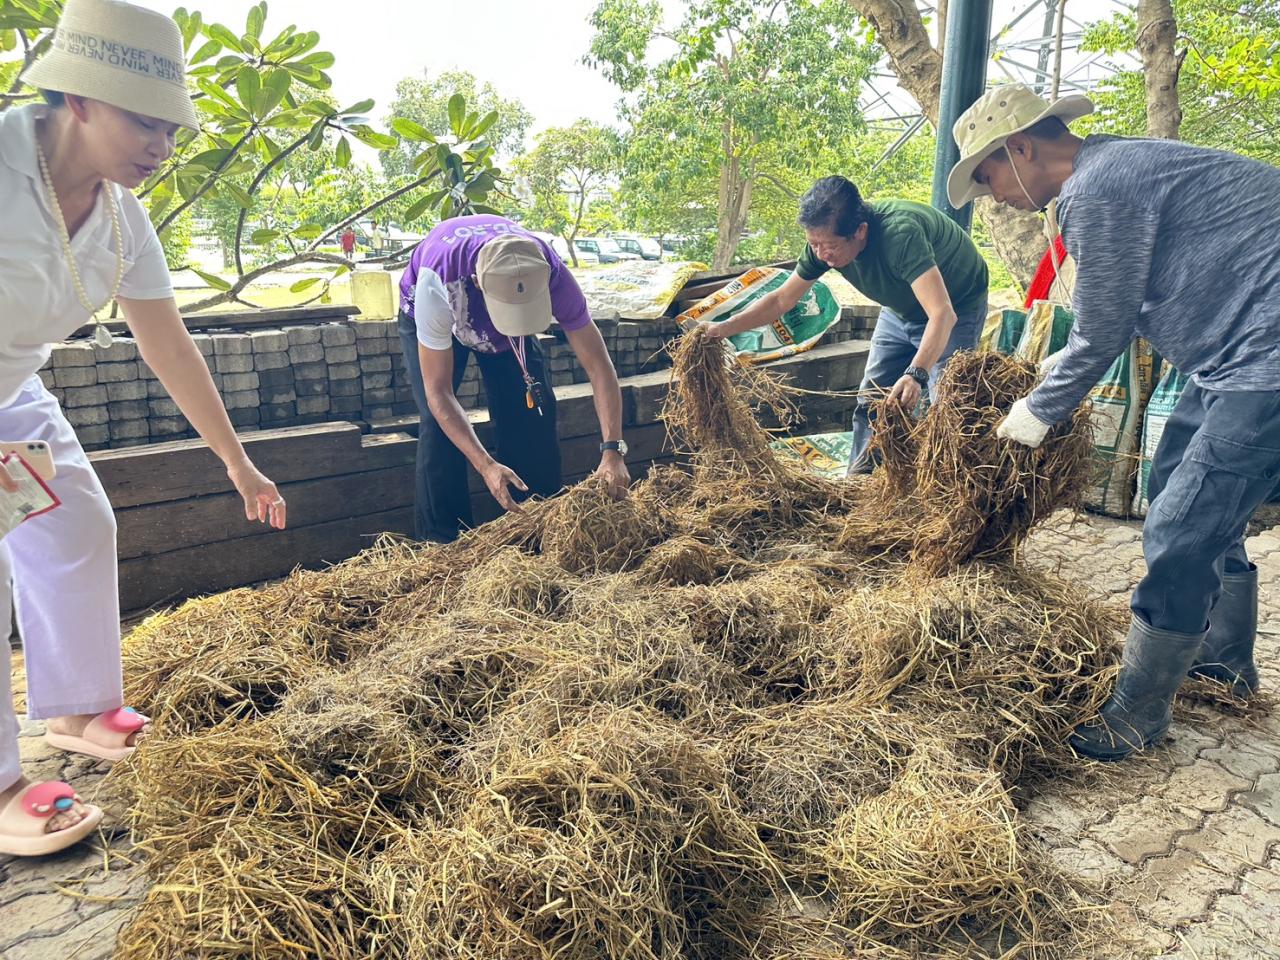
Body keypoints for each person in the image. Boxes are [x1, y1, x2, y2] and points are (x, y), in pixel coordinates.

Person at [0, 0, 287, 856]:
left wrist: (238, 463)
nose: (163, 145)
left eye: (173, 128)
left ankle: (78, 707)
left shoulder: (123, 221)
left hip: (10, 393)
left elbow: (168, 344)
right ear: (78, 99)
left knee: (74, 522)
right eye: (145, 122)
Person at [948, 82, 1280, 761]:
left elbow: (1100, 331)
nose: (994, 197)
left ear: (1021, 148)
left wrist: (1032, 416)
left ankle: (1138, 715)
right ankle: (1223, 665)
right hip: (1226, 357)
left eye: (988, 179)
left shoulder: (1097, 190)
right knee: (1172, 485)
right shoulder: (1115, 169)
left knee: (1181, 526)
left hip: (1263, 360)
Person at [704, 176, 989, 474]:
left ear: (860, 232)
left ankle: (941, 489)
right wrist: (723, 328)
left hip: (957, 304)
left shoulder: (900, 235)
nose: (820, 254)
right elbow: (779, 301)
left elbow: (942, 314)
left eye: (828, 246)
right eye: (813, 243)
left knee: (946, 405)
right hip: (900, 308)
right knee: (873, 396)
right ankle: (860, 481)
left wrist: (916, 374)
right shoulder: (823, 245)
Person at [396, 214, 630, 542]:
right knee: (438, 426)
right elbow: (439, 392)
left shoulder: (552, 273)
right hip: (444, 312)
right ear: (479, 283)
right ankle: (444, 542)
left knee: (532, 410)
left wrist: (612, 451)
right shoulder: (438, 282)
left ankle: (537, 524)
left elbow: (599, 367)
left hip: (503, 321)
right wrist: (486, 465)